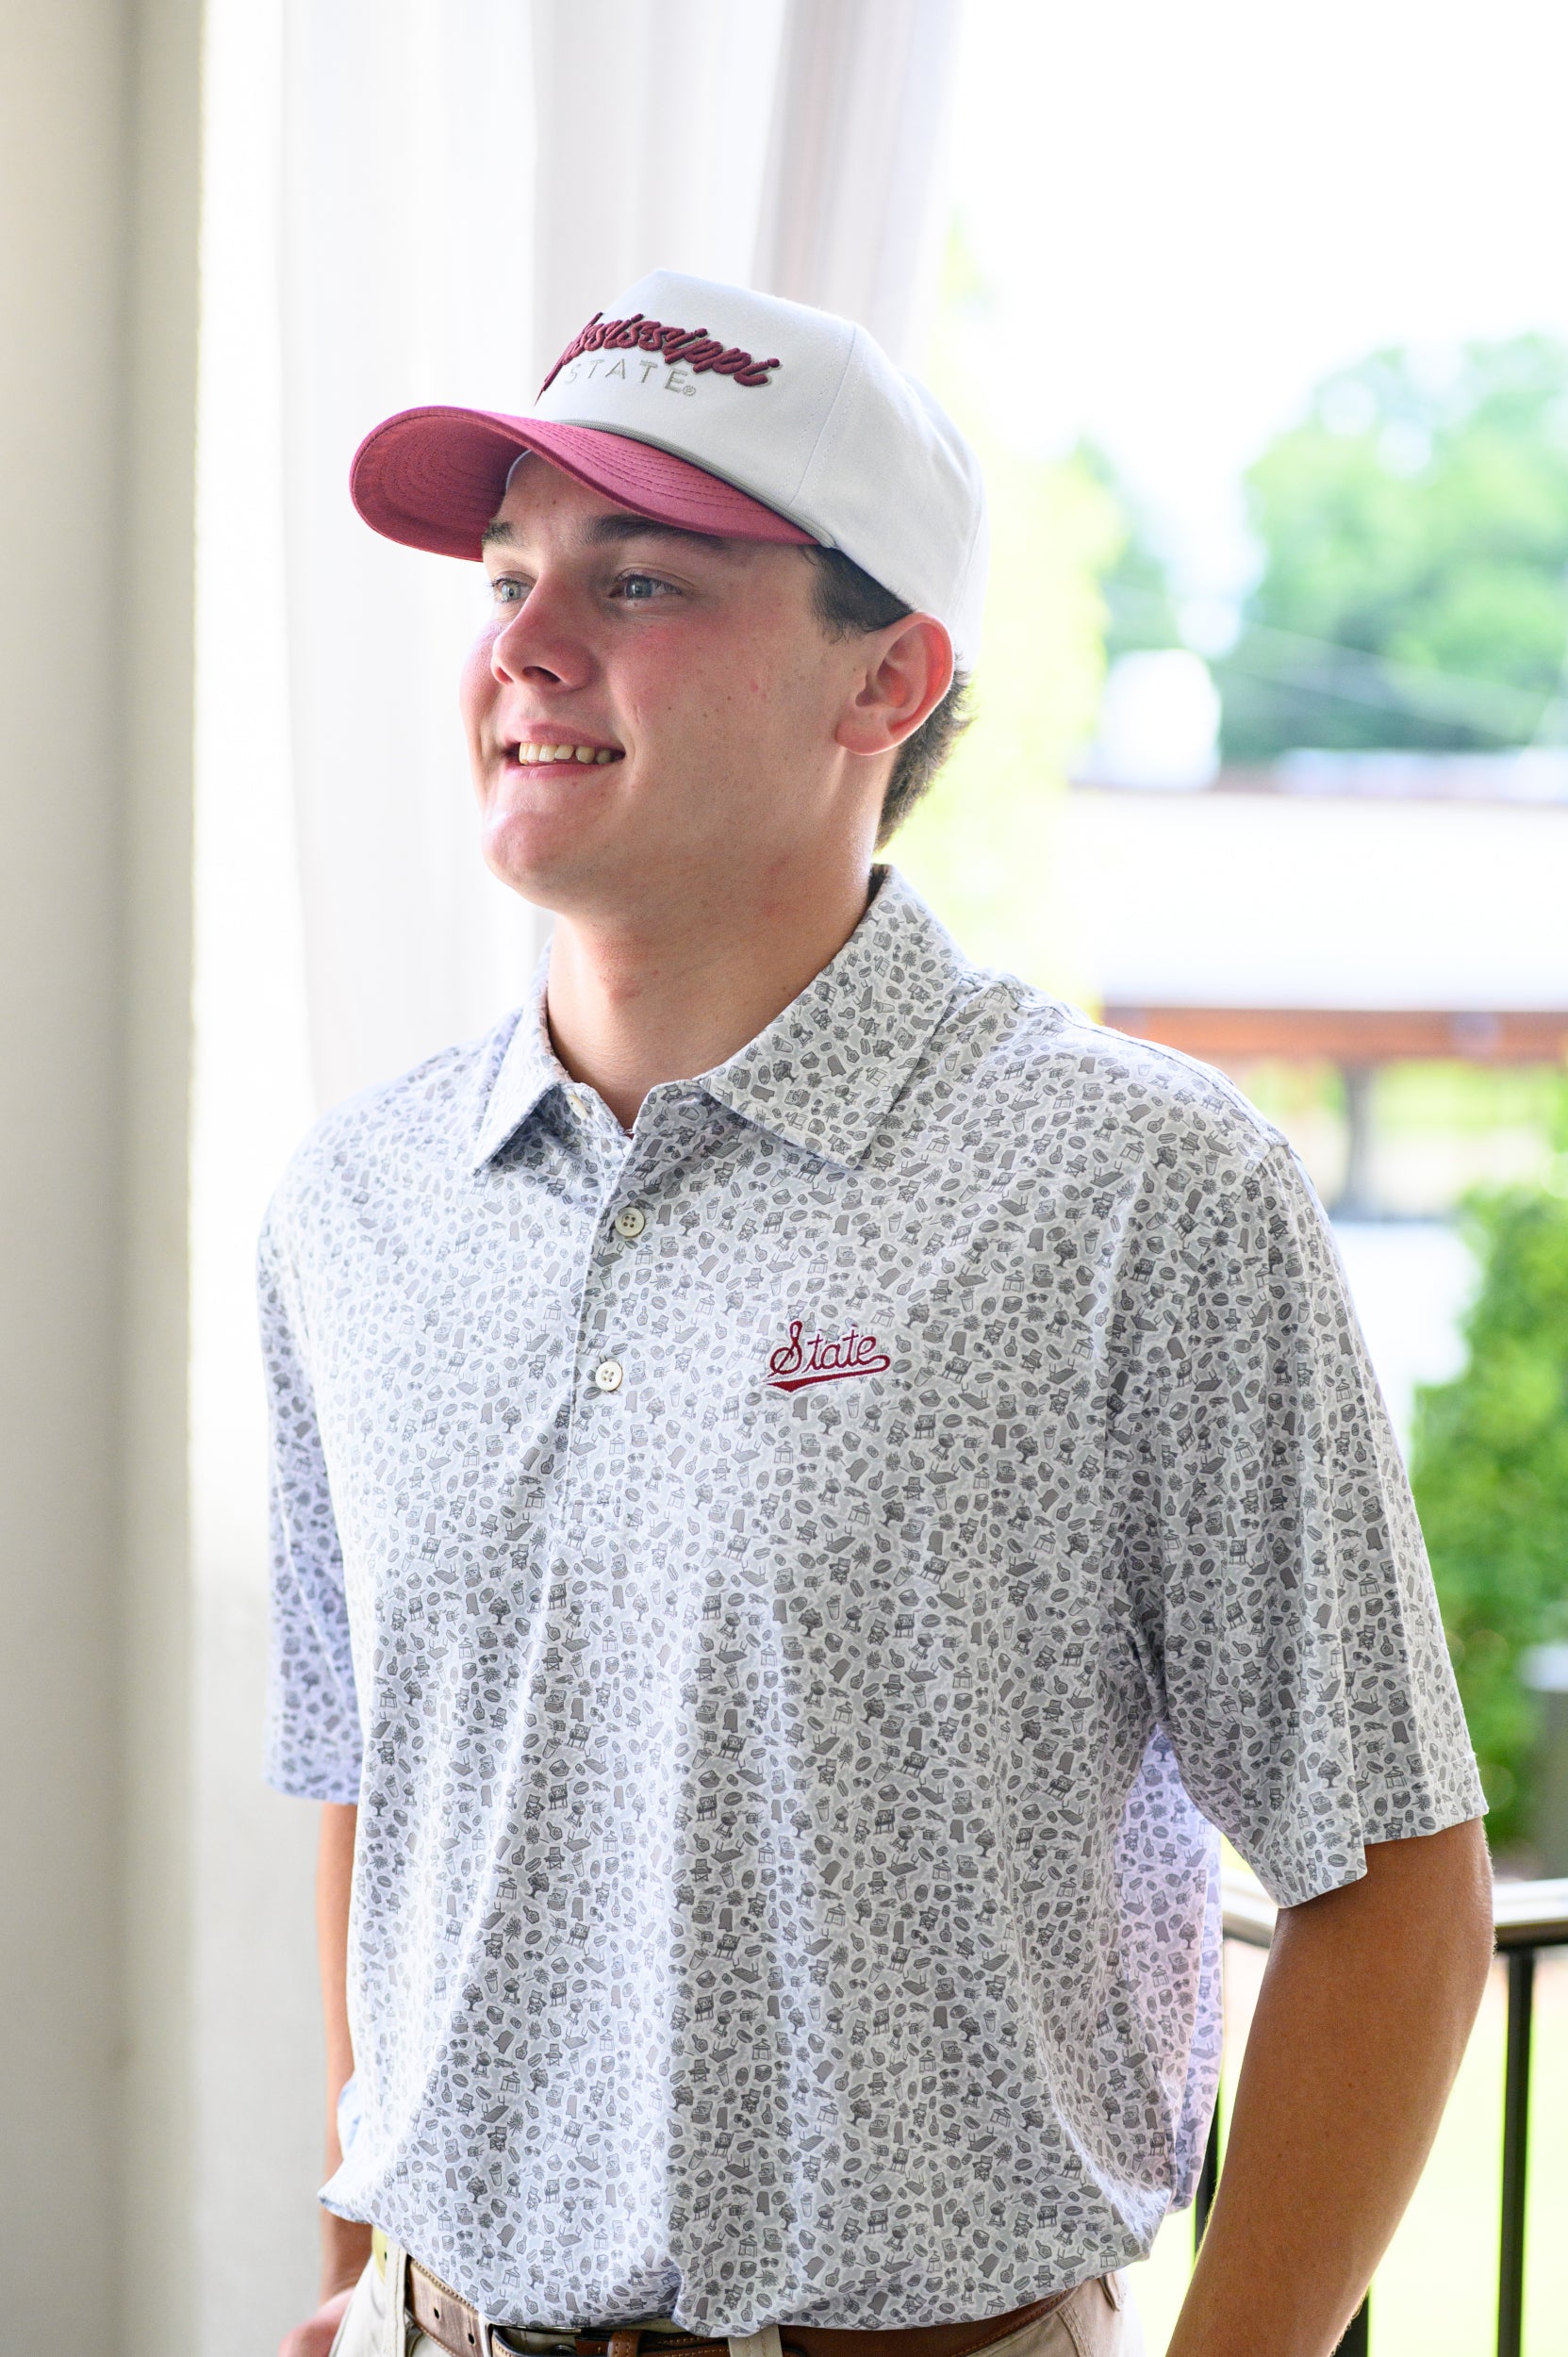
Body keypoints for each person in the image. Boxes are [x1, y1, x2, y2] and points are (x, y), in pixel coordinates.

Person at [267, 272, 1493, 2357]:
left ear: (888, 681)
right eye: (505, 574)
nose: (523, 646)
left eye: (639, 580)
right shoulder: (357, 1205)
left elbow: (1392, 1888)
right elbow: (379, 1782)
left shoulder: (1139, 1192)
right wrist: (347, 2275)